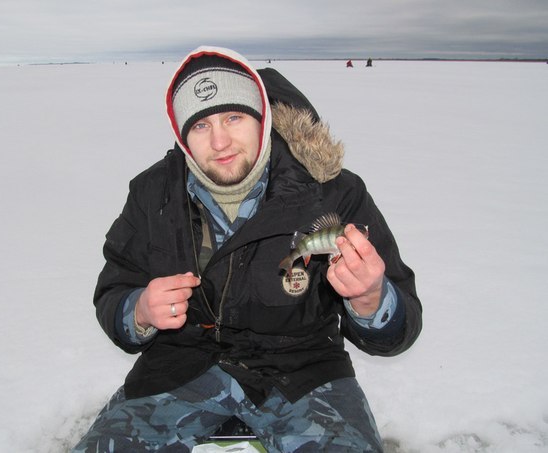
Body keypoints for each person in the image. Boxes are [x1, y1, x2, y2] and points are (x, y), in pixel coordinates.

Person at [73, 46, 422, 452]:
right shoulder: (152, 194)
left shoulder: (333, 193)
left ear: (262, 117)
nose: (219, 141)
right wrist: (139, 311)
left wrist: (371, 299)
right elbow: (114, 289)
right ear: (183, 135)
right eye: (201, 125)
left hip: (304, 373)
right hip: (178, 367)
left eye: (233, 117)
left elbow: (401, 329)